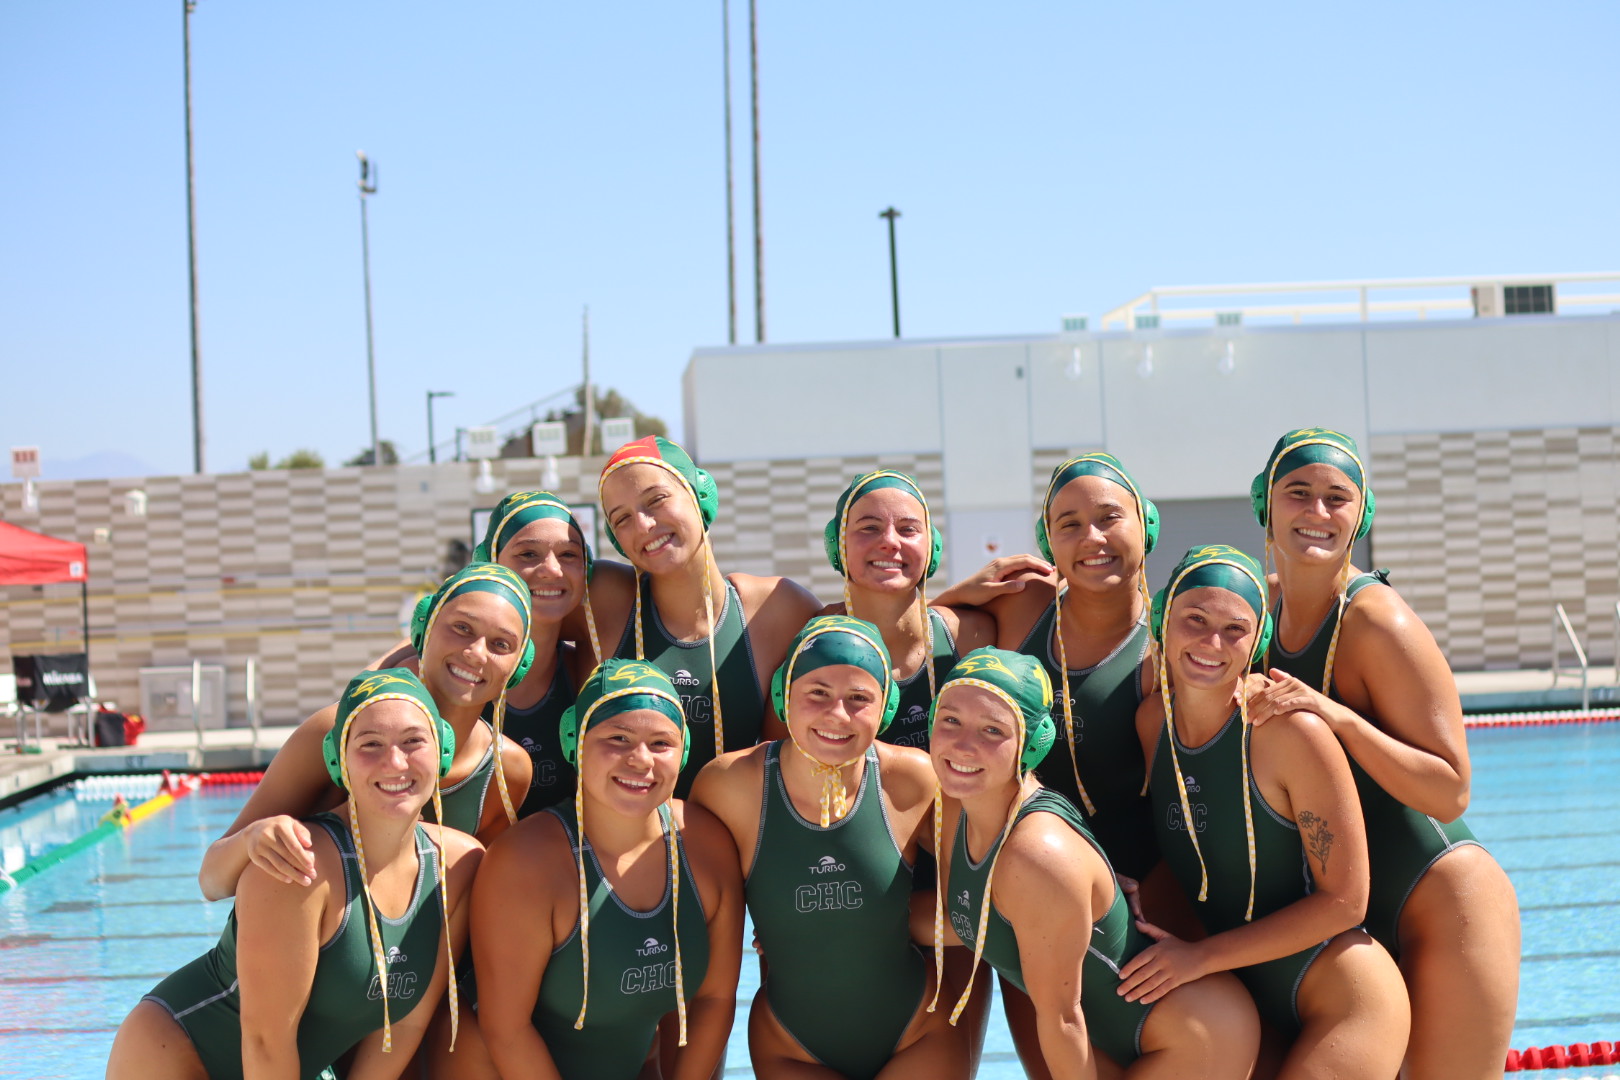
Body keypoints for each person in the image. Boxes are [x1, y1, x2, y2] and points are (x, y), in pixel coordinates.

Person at [1244, 428, 1521, 1077]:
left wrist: (1337, 717)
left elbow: (1451, 787)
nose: (1317, 512)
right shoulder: (1261, 613)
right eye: (1298, 493)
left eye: (1337, 498)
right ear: (1267, 506)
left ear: (1360, 514)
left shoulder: (1375, 621)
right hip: (1347, 921)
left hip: (1444, 904)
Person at [108, 669, 481, 1080]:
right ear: (339, 762)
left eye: (413, 741)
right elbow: (268, 1043)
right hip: (177, 1054)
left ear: (441, 751)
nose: (394, 761)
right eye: (370, 744)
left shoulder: (458, 865)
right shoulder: (299, 866)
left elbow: (406, 1024)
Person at [1126, 545, 1409, 1077]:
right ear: (1164, 623)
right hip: (1244, 996)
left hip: (1342, 996)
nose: (1213, 642)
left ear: (1256, 640)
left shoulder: (1286, 734)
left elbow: (1346, 901)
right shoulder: (1151, 726)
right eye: (1195, 620)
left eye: (1235, 628)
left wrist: (1200, 958)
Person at [928, 648, 1259, 1078]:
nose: (963, 744)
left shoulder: (1037, 857)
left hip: (1191, 1035)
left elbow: (1062, 1020)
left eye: (993, 729)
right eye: (950, 720)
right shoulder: (957, 807)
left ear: (1032, 743)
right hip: (1106, 1032)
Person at [691, 616, 968, 1080]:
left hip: (918, 1031)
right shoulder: (728, 786)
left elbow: (984, 898)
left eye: (859, 699)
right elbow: (694, 913)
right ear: (785, 695)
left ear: (886, 706)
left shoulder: (914, 780)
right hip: (791, 1047)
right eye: (817, 692)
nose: (837, 715)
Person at [472, 659, 744, 1080]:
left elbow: (713, 999)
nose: (640, 760)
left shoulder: (705, 842)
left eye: (660, 743)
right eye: (618, 738)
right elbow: (505, 1030)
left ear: (684, 751)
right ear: (574, 742)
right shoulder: (525, 861)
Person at [198, 563, 534, 904]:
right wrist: (251, 840)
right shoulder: (335, 733)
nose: (476, 652)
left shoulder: (506, 771)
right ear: (424, 627)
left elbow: (473, 904)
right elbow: (212, 881)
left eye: (501, 644)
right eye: (462, 627)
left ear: (520, 665)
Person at [594, 435, 822, 796]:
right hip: (628, 846)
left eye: (656, 499)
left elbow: (867, 626)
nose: (643, 525)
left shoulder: (776, 608)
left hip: (735, 842)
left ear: (701, 496)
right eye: (621, 519)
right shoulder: (605, 601)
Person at [373, 490, 598, 817]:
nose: (551, 569)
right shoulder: (430, 677)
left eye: (568, 555)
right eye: (528, 554)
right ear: (487, 564)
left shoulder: (584, 670)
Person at [821, 470, 995, 750]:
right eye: (869, 527)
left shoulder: (970, 636)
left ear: (931, 547)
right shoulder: (812, 648)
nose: (890, 541)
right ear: (837, 546)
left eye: (908, 529)